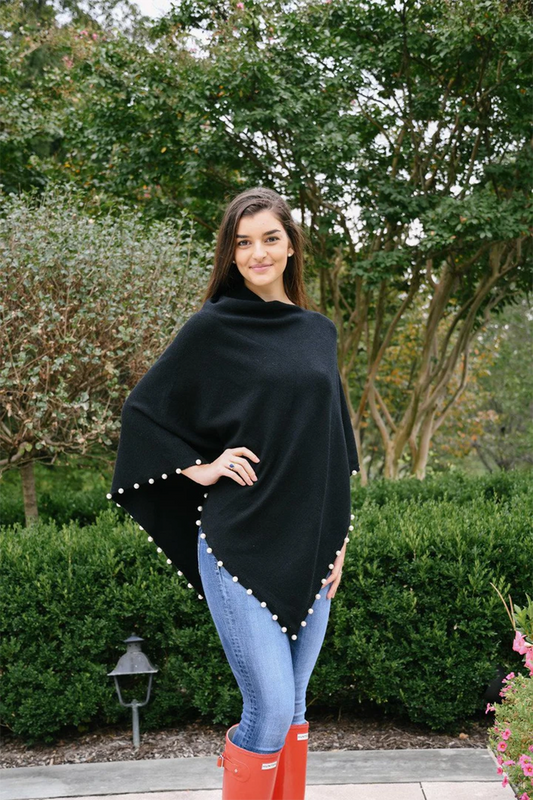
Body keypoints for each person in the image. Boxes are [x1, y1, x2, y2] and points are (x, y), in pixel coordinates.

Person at [108, 186, 359, 800]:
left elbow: (334, 445)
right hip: (238, 541)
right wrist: (201, 466)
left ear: (293, 246)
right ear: (231, 254)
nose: (257, 252)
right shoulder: (211, 328)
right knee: (270, 710)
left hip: (311, 545)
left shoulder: (317, 333)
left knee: (296, 711)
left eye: (270, 238)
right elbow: (144, 413)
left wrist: (341, 535)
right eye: (243, 243)